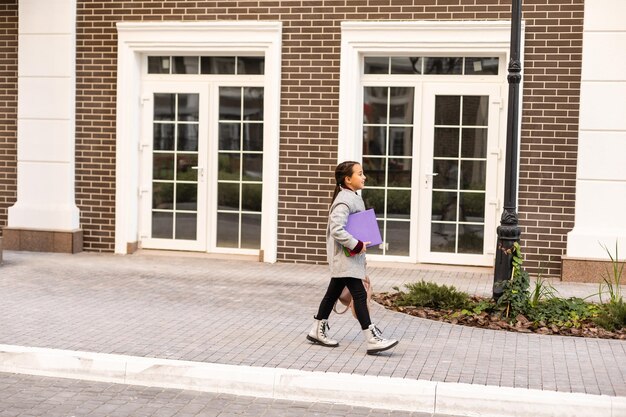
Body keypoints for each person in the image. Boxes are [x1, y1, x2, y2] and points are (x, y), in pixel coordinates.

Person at [306, 161, 399, 355]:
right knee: (359, 295)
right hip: (345, 257)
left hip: (349, 257)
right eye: (360, 173)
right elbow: (337, 229)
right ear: (348, 179)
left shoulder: (352, 198)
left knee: (332, 294)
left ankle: (316, 329)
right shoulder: (344, 200)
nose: (364, 177)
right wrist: (357, 244)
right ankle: (372, 338)